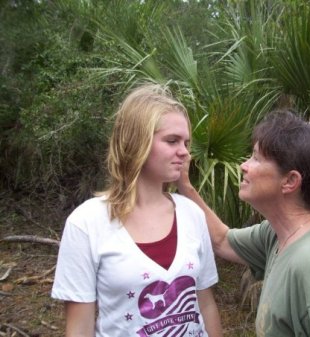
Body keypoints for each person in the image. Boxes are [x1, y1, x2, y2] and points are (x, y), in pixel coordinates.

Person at [177, 109, 310, 337]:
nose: (244, 166)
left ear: (290, 181)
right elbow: (221, 240)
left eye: (256, 158)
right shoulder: (277, 236)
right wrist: (184, 185)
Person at [52, 84, 223, 337]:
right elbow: (79, 327)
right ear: (137, 142)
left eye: (186, 142)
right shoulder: (86, 223)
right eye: (172, 140)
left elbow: (206, 304)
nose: (185, 152)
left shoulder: (192, 215)